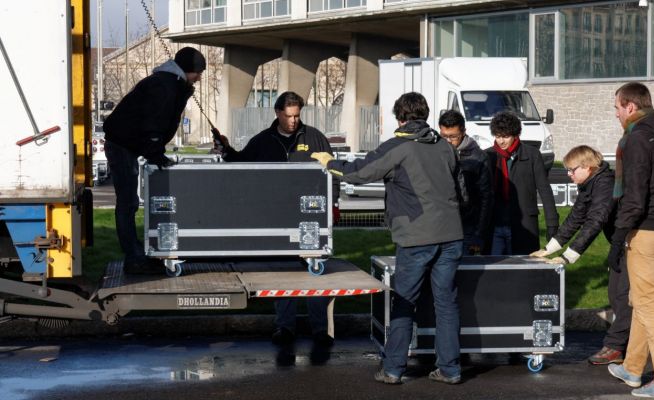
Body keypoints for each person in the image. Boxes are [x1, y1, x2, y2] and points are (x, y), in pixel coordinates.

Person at [310, 92, 464, 385]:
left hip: (417, 236)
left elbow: (359, 173)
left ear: (400, 118)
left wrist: (330, 162)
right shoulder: (445, 147)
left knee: (405, 301)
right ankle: (450, 369)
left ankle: (393, 368)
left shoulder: (398, 147)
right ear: (425, 115)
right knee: (446, 304)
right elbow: (459, 187)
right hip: (451, 234)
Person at [214, 91, 336, 350]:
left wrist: (332, 205)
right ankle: (285, 327)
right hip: (278, 219)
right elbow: (241, 164)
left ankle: (320, 330)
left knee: (316, 273)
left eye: (297, 116)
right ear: (277, 113)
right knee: (284, 273)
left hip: (311, 219)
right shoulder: (263, 141)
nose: (293, 121)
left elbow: (332, 173)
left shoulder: (315, 138)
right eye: (289, 116)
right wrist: (226, 150)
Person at [605, 82, 654, 398]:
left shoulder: (637, 139)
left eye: (617, 107)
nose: (615, 114)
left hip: (646, 230)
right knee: (641, 298)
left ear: (631, 107)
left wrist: (617, 237)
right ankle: (633, 367)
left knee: (648, 302)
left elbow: (635, 197)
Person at [103, 46, 205, 275]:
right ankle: (134, 257)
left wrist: (155, 150)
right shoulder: (165, 86)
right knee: (128, 203)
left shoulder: (171, 83)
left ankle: (139, 253)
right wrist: (156, 153)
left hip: (127, 142)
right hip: (122, 144)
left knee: (129, 202)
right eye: (198, 72)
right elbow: (154, 122)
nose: (199, 77)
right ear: (187, 70)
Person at [530, 145, 630, 365]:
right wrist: (549, 249)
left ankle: (616, 347)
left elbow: (596, 220)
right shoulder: (590, 184)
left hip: (632, 244)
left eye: (572, 170)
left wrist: (569, 256)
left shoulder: (604, 184)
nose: (568, 174)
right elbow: (576, 217)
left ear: (587, 167)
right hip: (621, 245)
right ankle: (628, 346)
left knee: (622, 297)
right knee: (618, 295)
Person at [485, 111, 559, 255]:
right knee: (493, 270)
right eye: (498, 136)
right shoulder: (488, 156)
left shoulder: (532, 155)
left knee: (524, 270)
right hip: (494, 225)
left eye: (505, 136)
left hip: (524, 223)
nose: (501, 141)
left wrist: (552, 222)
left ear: (515, 135)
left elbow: (544, 190)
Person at [439, 110, 493, 255]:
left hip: (467, 226)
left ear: (463, 132)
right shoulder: (435, 154)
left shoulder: (479, 158)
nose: (448, 141)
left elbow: (486, 198)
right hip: (440, 225)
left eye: (453, 137)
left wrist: (479, 234)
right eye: (444, 136)